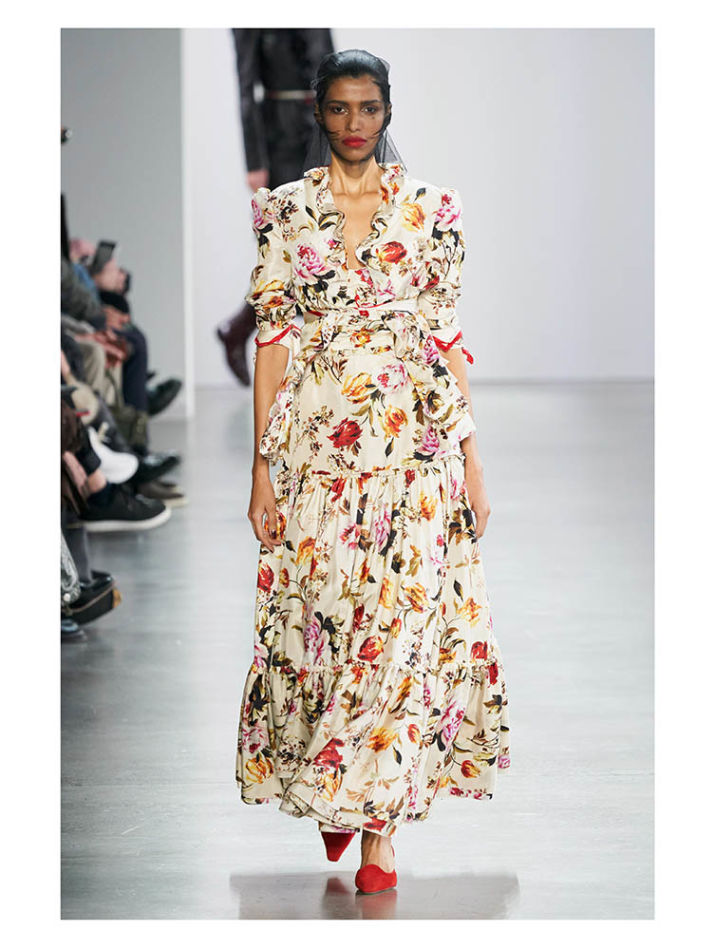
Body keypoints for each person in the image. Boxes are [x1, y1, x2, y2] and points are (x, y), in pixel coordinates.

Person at [235, 49, 511, 895]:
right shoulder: (284, 212)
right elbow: (271, 342)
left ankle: (376, 836)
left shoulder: (431, 208)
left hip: (413, 445)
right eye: (339, 108)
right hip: (317, 447)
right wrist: (261, 472)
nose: (354, 124)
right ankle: (335, 779)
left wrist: (471, 462)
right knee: (322, 620)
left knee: (397, 630)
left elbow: (445, 337)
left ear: (387, 112)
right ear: (316, 113)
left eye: (368, 108)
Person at [216, 28, 334, 385]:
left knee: (320, 248)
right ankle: (250, 332)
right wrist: (254, 160)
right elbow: (245, 86)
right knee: (289, 251)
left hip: (319, 136)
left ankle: (241, 329)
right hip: (280, 141)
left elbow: (334, 70)